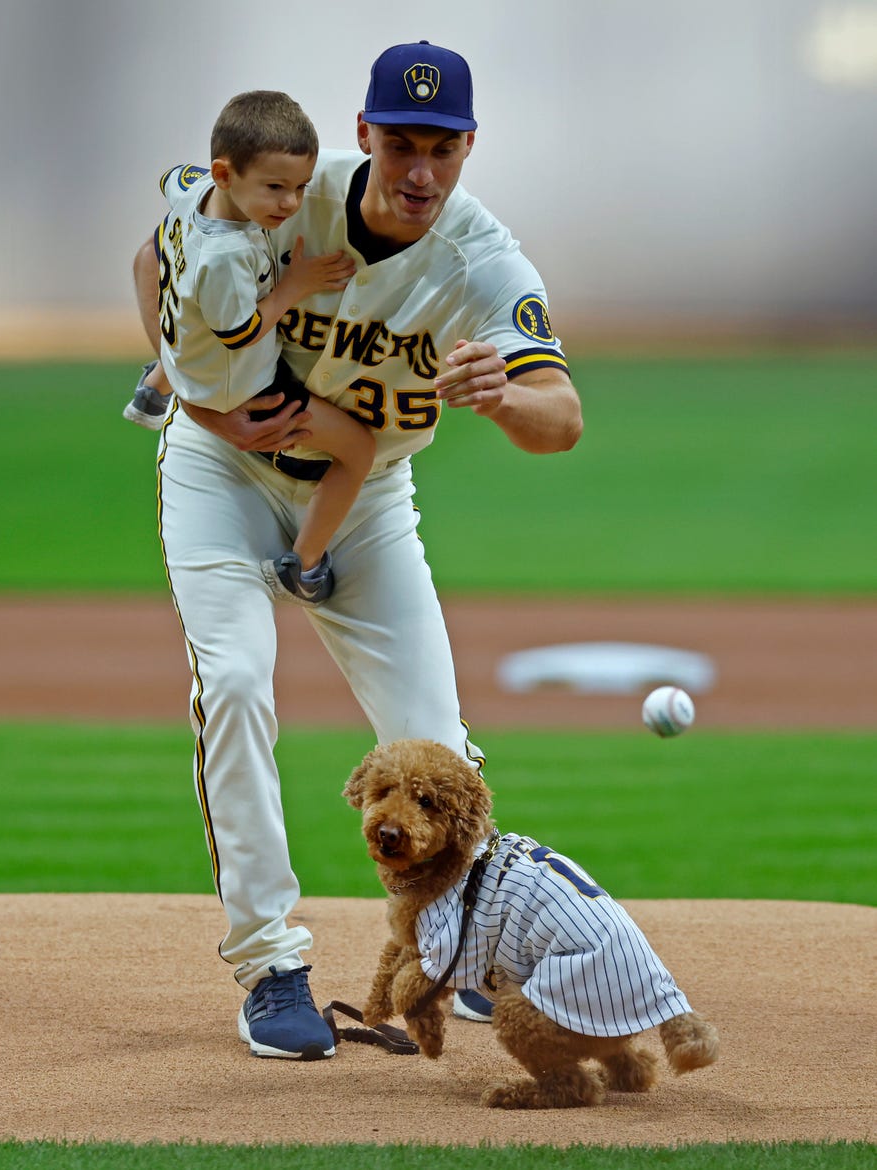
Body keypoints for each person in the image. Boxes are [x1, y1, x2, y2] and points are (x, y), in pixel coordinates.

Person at [132, 41, 583, 1061]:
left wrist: (505, 396)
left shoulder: (481, 260)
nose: (419, 169)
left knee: (437, 743)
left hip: (366, 495)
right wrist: (180, 377)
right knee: (238, 682)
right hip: (222, 475)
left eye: (441, 147)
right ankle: (269, 964)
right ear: (365, 132)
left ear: (468, 147)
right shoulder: (295, 191)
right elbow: (157, 258)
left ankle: (462, 943)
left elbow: (563, 417)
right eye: (401, 143)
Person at [127, 90, 374, 598]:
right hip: (240, 388)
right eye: (276, 187)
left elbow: (170, 176)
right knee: (360, 450)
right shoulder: (224, 254)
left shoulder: (192, 189)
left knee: (155, 263)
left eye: (301, 187)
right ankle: (303, 566)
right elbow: (240, 334)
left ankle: (161, 376)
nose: (290, 203)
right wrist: (297, 284)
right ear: (223, 173)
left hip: (189, 343)